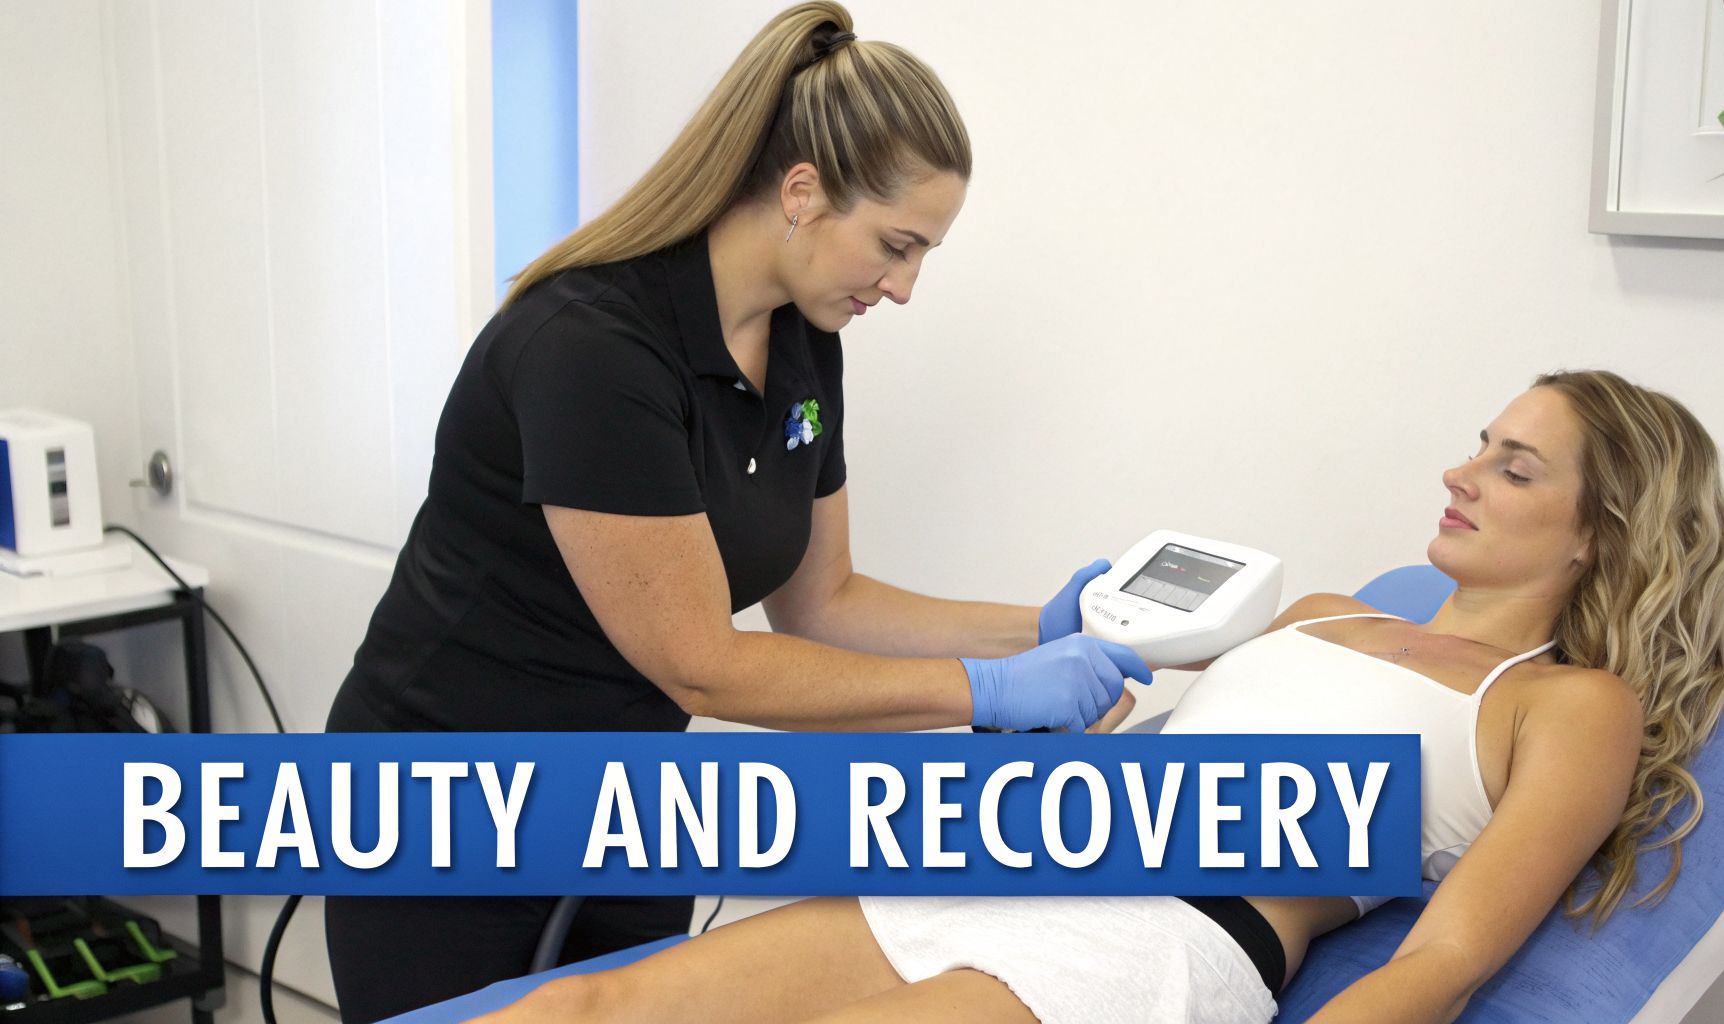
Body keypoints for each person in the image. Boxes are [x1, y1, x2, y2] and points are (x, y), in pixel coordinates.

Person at [320, 5, 1154, 1021]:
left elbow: (824, 602)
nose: (903, 288)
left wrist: (1043, 628)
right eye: (895, 246)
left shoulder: (804, 348)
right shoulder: (592, 349)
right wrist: (984, 691)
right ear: (801, 191)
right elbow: (701, 661)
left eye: (924, 254)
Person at [474, 369, 1724, 1023]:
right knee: (591, 1003)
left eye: (1511, 465)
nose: (1459, 470)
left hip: (1162, 936)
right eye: (1480, 442)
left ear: (1597, 531)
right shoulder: (1319, 610)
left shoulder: (1568, 703)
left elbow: (1446, 958)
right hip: (1030, 860)